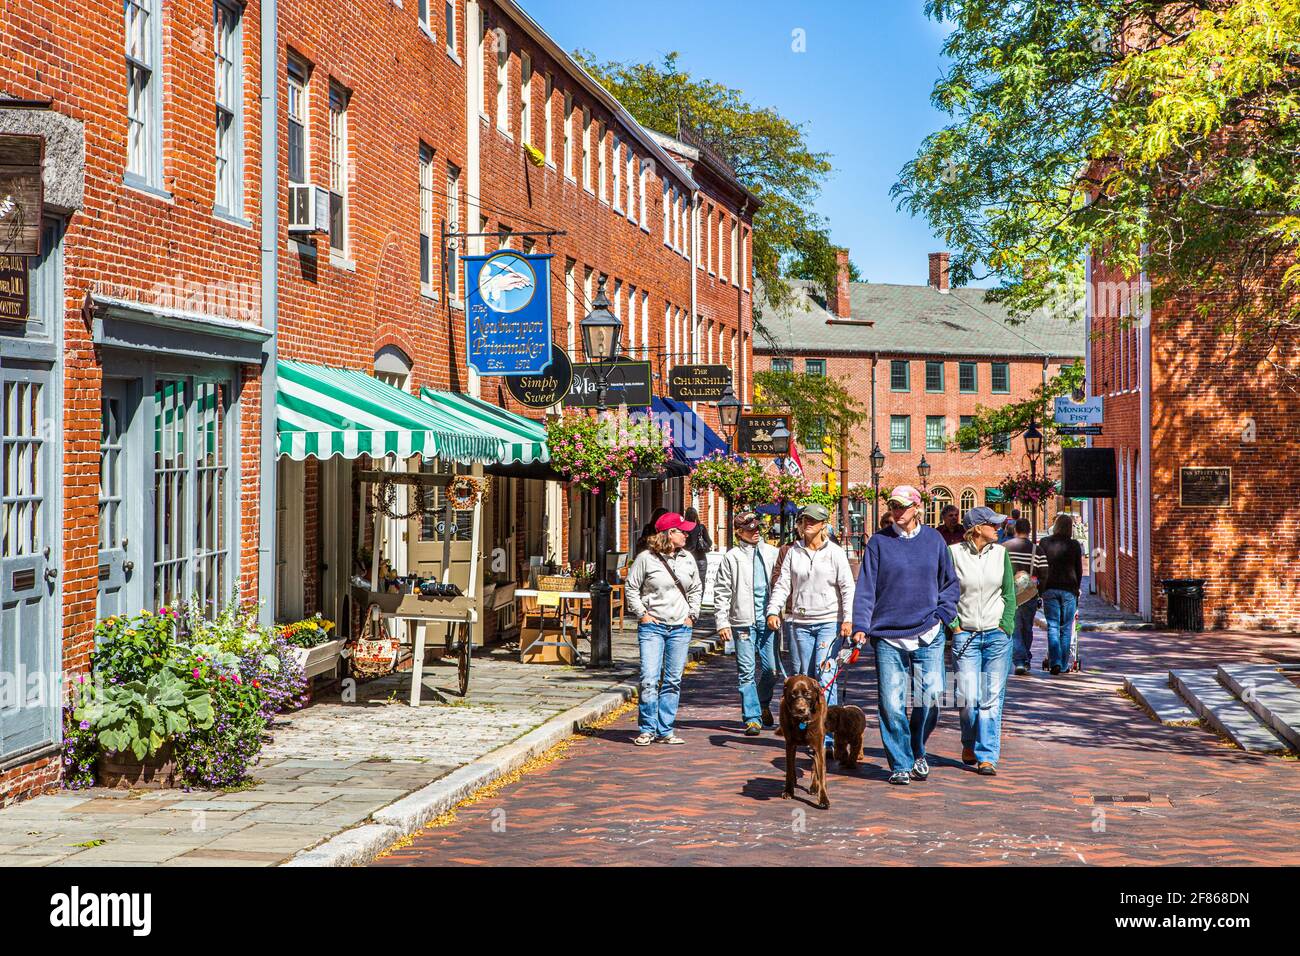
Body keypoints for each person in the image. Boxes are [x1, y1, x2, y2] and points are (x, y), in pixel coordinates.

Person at [851, 485, 960, 786]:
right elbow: (866, 590)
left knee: (933, 697)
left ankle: (917, 749)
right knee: (891, 703)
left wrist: (943, 615)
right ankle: (900, 762)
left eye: (902, 506)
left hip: (929, 630)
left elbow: (950, 584)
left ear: (917, 507)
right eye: (893, 506)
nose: (897, 511)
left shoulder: (934, 540)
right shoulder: (878, 543)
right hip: (888, 635)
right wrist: (861, 625)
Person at [766, 503, 855, 719]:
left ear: (824, 524)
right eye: (805, 519)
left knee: (824, 677)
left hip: (829, 621)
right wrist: (773, 610)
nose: (807, 524)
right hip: (800, 623)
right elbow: (783, 584)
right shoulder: (793, 551)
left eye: (813, 520)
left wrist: (849, 619)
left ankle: (828, 733)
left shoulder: (835, 553)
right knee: (803, 679)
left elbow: (847, 587)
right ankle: (805, 727)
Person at [948, 507, 1017, 776]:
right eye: (993, 524)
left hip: (996, 635)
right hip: (966, 634)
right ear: (977, 528)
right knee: (968, 697)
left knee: (990, 699)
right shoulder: (953, 554)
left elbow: (1009, 593)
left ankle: (987, 755)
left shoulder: (1001, 554)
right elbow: (945, 592)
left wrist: (1006, 625)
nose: (998, 528)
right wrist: (954, 626)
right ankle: (969, 741)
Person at [625, 512, 703, 746]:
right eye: (682, 530)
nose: (686, 534)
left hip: (680, 627)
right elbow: (631, 588)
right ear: (670, 533)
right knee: (649, 678)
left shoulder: (687, 558)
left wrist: (692, 615)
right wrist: (643, 615)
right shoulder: (646, 559)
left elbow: (696, 588)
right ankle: (647, 729)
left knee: (672, 680)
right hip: (653, 628)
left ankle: (665, 729)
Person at [714, 510, 780, 735]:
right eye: (750, 529)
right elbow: (721, 591)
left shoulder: (772, 553)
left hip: (768, 619)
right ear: (739, 532)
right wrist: (722, 622)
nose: (755, 532)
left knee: (772, 670)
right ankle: (752, 718)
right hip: (743, 620)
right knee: (746, 671)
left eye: (757, 528)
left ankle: (761, 702)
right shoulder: (732, 557)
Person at [1036, 513, 1084, 674]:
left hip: (1049, 588)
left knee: (1053, 626)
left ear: (1055, 526)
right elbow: (1079, 569)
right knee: (1065, 627)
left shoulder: (1044, 543)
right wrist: (1077, 588)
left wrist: (1040, 588)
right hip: (1069, 589)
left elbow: (1040, 567)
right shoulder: (1075, 545)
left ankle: (1054, 661)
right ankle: (1063, 664)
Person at [1003, 518, 1046, 676]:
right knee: (1027, 627)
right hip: (1029, 594)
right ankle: (1024, 659)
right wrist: (1039, 592)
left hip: (1010, 594)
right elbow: (1044, 573)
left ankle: (1020, 660)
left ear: (1015, 530)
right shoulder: (1037, 550)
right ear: (1029, 530)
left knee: (1014, 628)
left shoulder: (1004, 548)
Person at [683, 506, 712, 582]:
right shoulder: (701, 527)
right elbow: (709, 542)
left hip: (685, 559)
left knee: (687, 582)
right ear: (696, 516)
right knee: (701, 582)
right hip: (700, 558)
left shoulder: (682, 528)